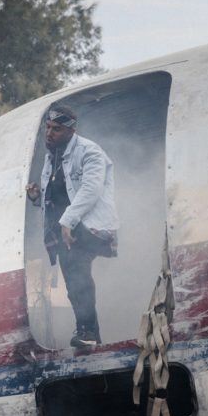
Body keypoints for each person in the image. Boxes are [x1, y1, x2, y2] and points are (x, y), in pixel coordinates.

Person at [26, 104, 119, 349]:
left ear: (71, 130)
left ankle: (87, 331)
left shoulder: (90, 152)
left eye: (56, 129)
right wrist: (37, 197)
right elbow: (55, 199)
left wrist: (68, 220)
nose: (49, 133)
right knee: (73, 283)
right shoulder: (51, 157)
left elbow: (91, 190)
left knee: (78, 275)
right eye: (47, 127)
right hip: (64, 230)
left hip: (89, 227)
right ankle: (89, 334)